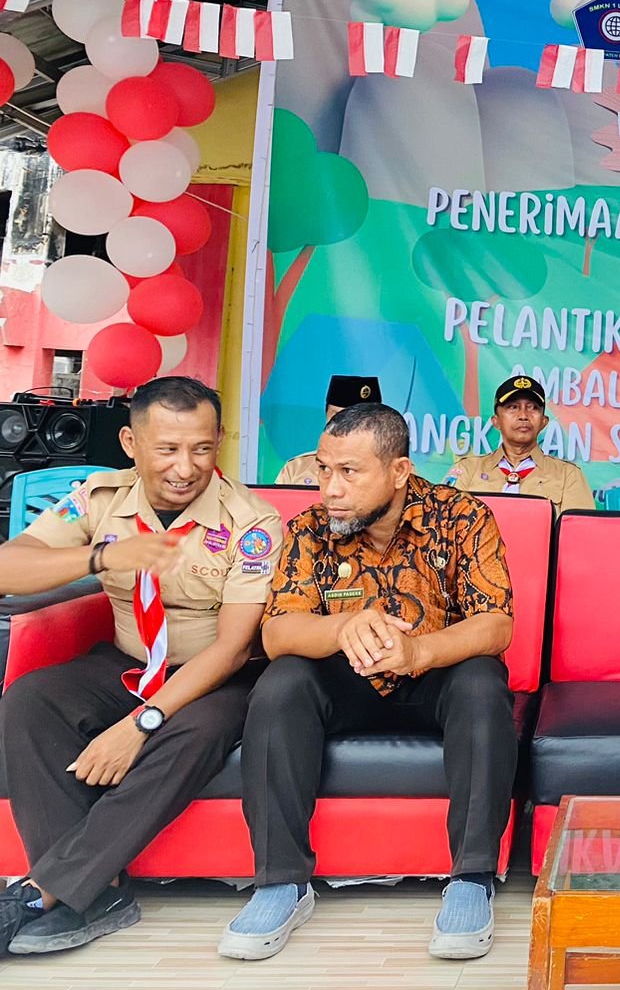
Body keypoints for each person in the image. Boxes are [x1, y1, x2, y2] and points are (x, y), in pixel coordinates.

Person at [220, 403, 516, 963]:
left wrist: (419, 650)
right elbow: (278, 632)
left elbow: (496, 623)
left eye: (349, 472)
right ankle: (282, 882)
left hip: (435, 676)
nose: (330, 487)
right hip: (347, 679)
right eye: (324, 468)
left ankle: (472, 878)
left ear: (399, 471)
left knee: (482, 682)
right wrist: (342, 627)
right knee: (282, 682)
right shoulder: (309, 529)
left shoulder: (462, 516)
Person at [0, 377, 280, 955]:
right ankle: (96, 893)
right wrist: (102, 555)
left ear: (219, 441)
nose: (186, 467)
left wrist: (139, 724)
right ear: (131, 442)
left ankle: (44, 891)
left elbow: (232, 649)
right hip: (128, 660)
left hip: (215, 675)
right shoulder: (100, 498)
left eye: (202, 449)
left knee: (195, 731)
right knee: (30, 699)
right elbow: (9, 567)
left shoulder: (252, 523)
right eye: (167, 449)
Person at [444, 376, 594, 514]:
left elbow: (579, 531)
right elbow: (442, 525)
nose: (523, 416)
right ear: (496, 421)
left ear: (544, 422)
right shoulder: (467, 470)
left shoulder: (568, 475)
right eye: (513, 407)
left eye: (533, 407)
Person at [276, 375, 382, 486]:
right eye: (338, 417)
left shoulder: (387, 471)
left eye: (358, 419)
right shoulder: (297, 468)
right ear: (326, 416)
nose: (346, 426)